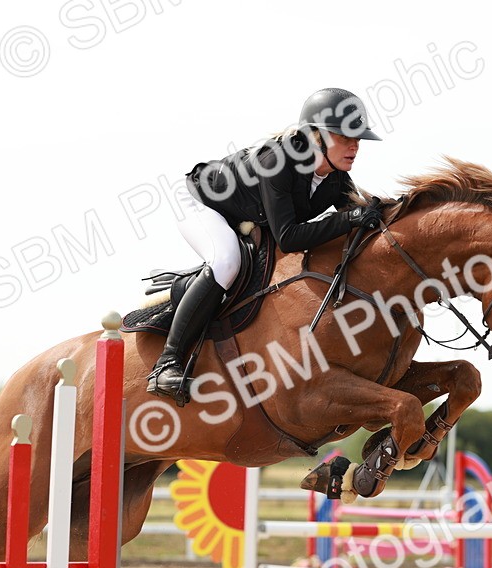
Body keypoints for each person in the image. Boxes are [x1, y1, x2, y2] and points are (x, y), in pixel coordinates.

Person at [146, 87, 385, 398]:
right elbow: (288, 237)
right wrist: (351, 218)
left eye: (358, 138)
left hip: (246, 212)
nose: (355, 145)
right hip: (200, 202)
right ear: (316, 136)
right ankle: (167, 364)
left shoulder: (336, 176)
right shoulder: (278, 161)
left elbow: (357, 215)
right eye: (345, 137)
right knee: (226, 260)